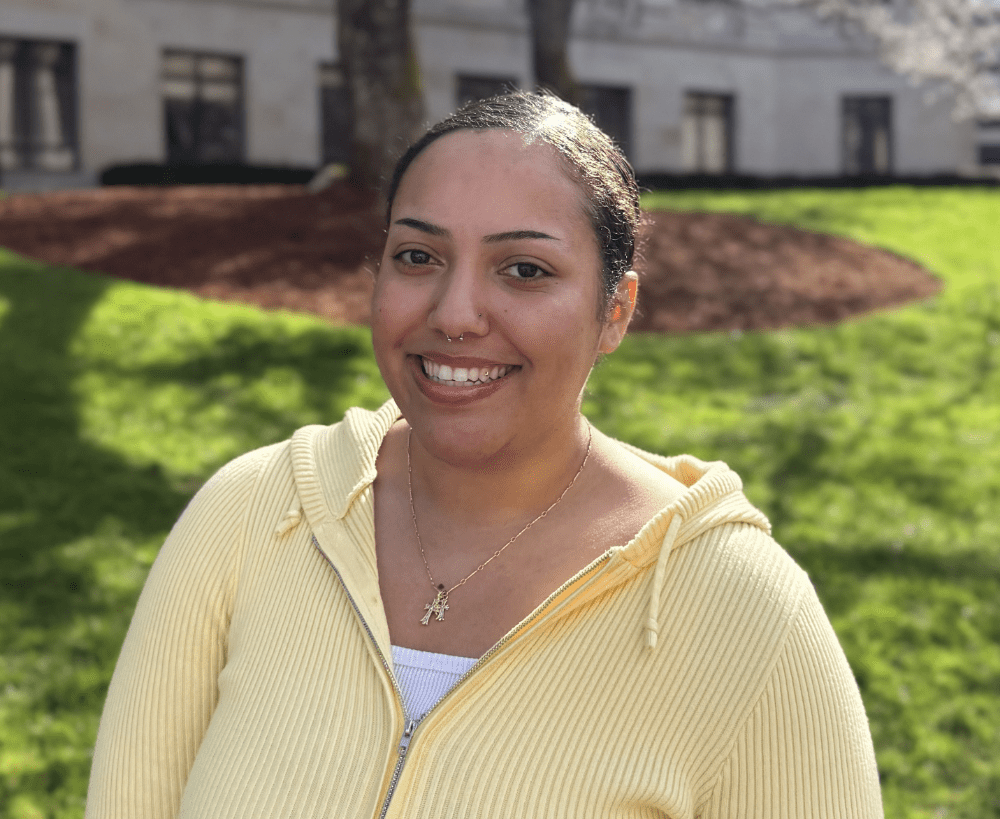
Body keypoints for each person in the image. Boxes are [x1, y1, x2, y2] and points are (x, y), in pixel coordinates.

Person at [87, 91, 883, 818]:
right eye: (418, 257)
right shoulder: (250, 514)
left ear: (616, 310)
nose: (456, 313)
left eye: (524, 270)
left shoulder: (745, 613)